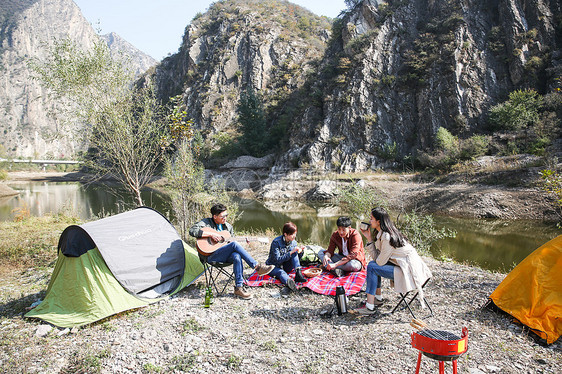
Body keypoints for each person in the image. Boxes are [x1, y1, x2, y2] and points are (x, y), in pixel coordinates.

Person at [352, 207, 432, 315]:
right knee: (373, 266)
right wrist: (369, 239)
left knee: (372, 267)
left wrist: (371, 243)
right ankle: (377, 299)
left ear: (378, 221)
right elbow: (379, 259)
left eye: (371, 218)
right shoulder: (383, 233)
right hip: (403, 267)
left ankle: (369, 307)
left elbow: (379, 262)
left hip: (409, 272)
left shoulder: (386, 236)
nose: (370, 221)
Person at [189, 203, 274, 300]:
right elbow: (192, 231)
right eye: (222, 216)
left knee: (236, 256)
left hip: (224, 255)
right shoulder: (206, 223)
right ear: (215, 216)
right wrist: (211, 234)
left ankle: (239, 288)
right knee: (234, 245)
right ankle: (257, 267)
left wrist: (244, 241)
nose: (225, 218)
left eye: (226, 215)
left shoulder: (228, 227)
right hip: (210, 256)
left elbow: (231, 243)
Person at [266, 222, 308, 293]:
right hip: (273, 266)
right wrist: (291, 252)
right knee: (281, 272)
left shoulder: (293, 242)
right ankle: (289, 283)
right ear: (285, 234)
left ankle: (298, 273)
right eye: (292, 234)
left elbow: (295, 258)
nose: (294, 236)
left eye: (295, 233)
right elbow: (278, 260)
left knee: (295, 252)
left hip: (286, 266)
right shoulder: (276, 242)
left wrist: (300, 252)